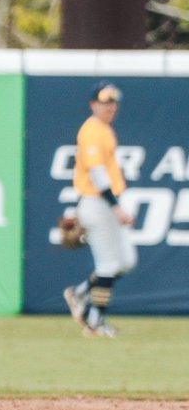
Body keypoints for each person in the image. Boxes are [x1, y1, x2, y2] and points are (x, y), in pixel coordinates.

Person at [63, 83, 137, 338]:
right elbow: (97, 174)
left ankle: (80, 293)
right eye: (106, 102)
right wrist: (116, 207)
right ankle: (94, 321)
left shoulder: (104, 130)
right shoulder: (92, 131)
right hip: (98, 203)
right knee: (108, 264)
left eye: (114, 103)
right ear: (93, 104)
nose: (111, 107)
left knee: (126, 261)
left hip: (106, 202)